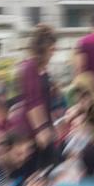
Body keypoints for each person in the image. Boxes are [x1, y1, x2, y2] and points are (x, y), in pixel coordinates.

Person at [14, 23, 56, 154]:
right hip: (33, 129)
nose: (53, 52)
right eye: (52, 49)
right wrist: (41, 129)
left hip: (44, 123)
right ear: (43, 48)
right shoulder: (30, 67)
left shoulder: (41, 68)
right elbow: (33, 101)